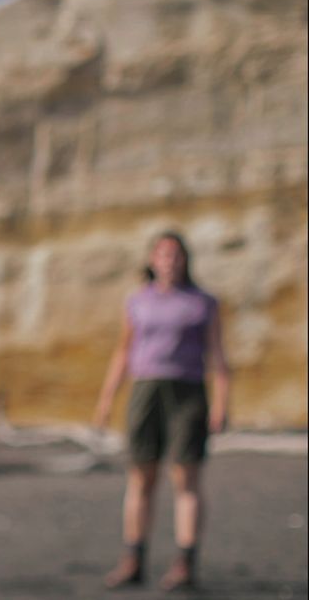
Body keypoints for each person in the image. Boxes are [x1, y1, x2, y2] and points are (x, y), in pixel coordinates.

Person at [94, 231, 231, 591]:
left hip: (187, 393)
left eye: (176, 255)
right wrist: (107, 399)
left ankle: (185, 563)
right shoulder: (137, 301)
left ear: (185, 260)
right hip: (145, 390)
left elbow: (217, 356)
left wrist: (222, 401)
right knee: (141, 476)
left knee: (186, 477)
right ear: (152, 260)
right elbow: (123, 352)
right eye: (163, 255)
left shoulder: (204, 302)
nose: (170, 261)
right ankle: (133, 560)